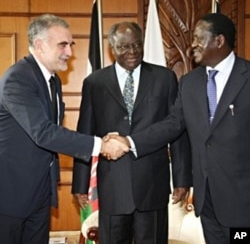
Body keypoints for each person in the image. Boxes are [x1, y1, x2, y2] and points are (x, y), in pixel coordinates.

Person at [110, 13, 250, 244]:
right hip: (208, 202)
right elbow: (172, 124)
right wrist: (129, 142)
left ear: (219, 41)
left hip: (244, 200)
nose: (192, 44)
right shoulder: (190, 83)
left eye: (198, 38)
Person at [0, 14, 128, 244]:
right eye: (63, 45)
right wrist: (100, 145)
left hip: (39, 192)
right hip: (10, 196)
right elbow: (44, 132)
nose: (70, 52)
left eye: (71, 45)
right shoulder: (17, 79)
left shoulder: (53, 81)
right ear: (39, 45)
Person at [72, 21, 192, 244]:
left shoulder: (164, 78)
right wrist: (80, 183)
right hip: (113, 186)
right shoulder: (95, 83)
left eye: (137, 45)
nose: (132, 52)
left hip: (152, 184)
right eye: (124, 47)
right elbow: (84, 133)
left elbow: (176, 129)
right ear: (112, 48)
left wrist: (182, 178)